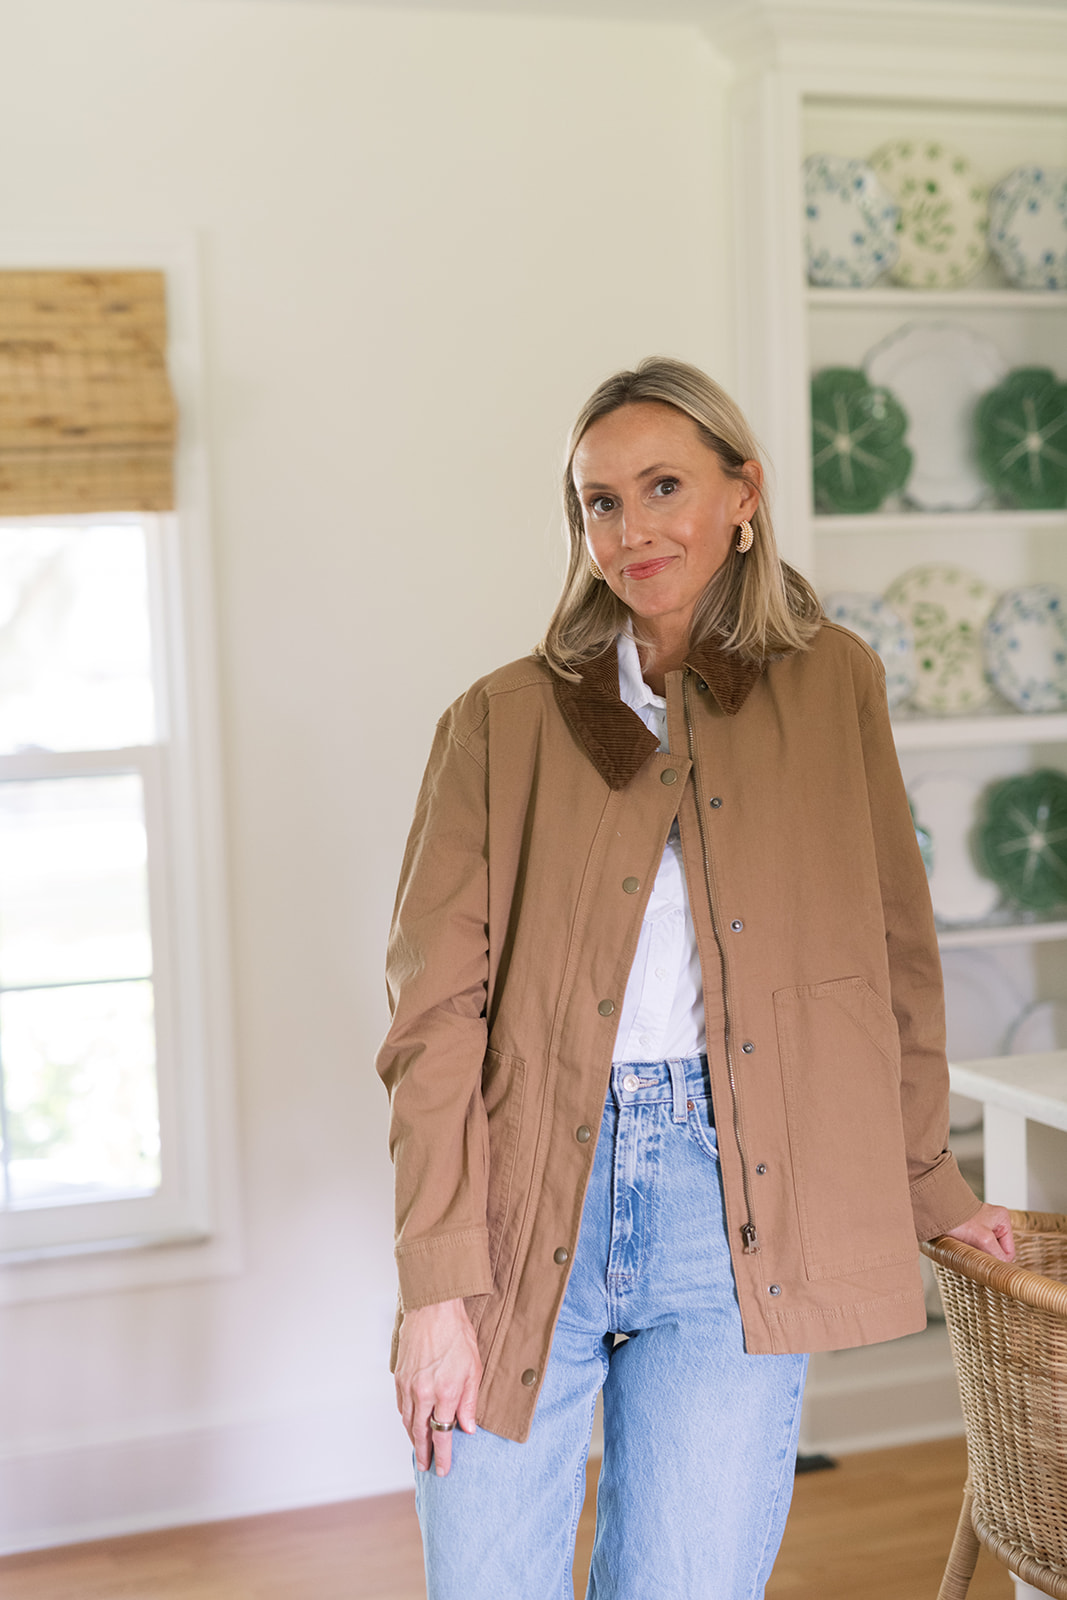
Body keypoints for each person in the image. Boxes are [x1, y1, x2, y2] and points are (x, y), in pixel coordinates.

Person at [375, 356, 1014, 1600]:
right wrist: (434, 1291)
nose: (629, 527)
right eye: (598, 502)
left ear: (743, 494)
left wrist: (928, 1183)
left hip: (734, 1208)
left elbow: (888, 958)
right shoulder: (498, 723)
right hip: (518, 1209)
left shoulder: (835, 687)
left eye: (661, 485)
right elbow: (431, 1020)